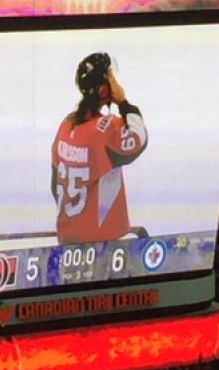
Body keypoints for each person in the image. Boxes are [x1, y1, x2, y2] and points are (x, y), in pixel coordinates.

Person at [51, 53, 148, 245]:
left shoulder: (65, 126)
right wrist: (123, 103)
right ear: (103, 88)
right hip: (103, 243)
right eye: (111, 77)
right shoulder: (107, 129)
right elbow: (139, 137)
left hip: (67, 241)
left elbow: (55, 184)